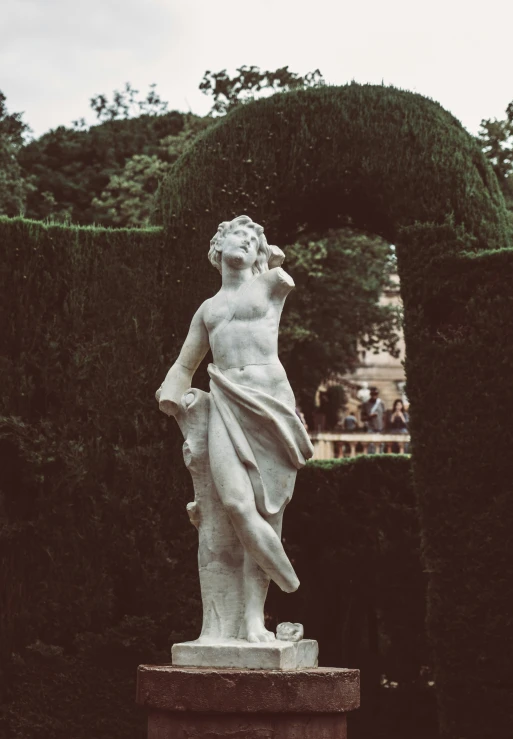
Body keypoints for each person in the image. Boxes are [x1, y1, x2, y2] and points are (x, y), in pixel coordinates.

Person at [157, 215, 314, 644]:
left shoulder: (271, 282)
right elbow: (185, 364)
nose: (241, 242)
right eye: (235, 235)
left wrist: (271, 259)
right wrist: (171, 392)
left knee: (268, 511)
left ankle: (252, 620)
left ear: (259, 254)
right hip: (226, 402)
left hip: (269, 405)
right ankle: (287, 578)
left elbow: (280, 269)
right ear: (218, 246)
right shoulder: (208, 309)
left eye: (250, 239)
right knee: (236, 506)